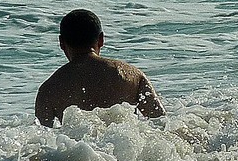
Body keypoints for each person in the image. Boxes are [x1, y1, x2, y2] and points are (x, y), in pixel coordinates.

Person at [35, 9, 165, 127]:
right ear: (101, 39)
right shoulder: (133, 75)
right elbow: (161, 123)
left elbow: (41, 143)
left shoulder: (49, 90)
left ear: (61, 43)